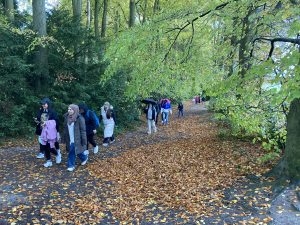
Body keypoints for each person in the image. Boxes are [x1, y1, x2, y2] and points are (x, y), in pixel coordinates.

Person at [62, 104, 88, 172]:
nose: (69, 110)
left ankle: (71, 165)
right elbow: (65, 128)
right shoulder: (66, 117)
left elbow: (83, 130)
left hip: (77, 139)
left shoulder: (79, 118)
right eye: (68, 109)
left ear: (75, 110)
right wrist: (63, 137)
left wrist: (84, 140)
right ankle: (84, 158)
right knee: (78, 152)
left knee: (72, 152)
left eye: (71, 109)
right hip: (70, 138)